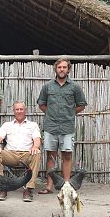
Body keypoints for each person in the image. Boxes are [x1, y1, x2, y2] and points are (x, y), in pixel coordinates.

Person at [37, 58, 87, 194]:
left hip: (67, 127)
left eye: (64, 67)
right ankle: (49, 187)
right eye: (59, 67)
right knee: (50, 156)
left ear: (68, 69)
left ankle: (66, 186)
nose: (62, 69)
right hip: (51, 126)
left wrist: (70, 113)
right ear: (55, 69)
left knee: (67, 155)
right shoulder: (47, 86)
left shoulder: (75, 87)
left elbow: (81, 105)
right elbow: (41, 103)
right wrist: (51, 113)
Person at [0, 101, 41, 202]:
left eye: (21, 109)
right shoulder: (7, 125)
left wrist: (35, 147)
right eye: (17, 109)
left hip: (27, 154)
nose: (19, 111)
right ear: (13, 111)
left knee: (37, 153)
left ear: (25, 111)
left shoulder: (33, 125)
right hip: (10, 154)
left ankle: (29, 189)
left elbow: (37, 140)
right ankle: (1, 187)